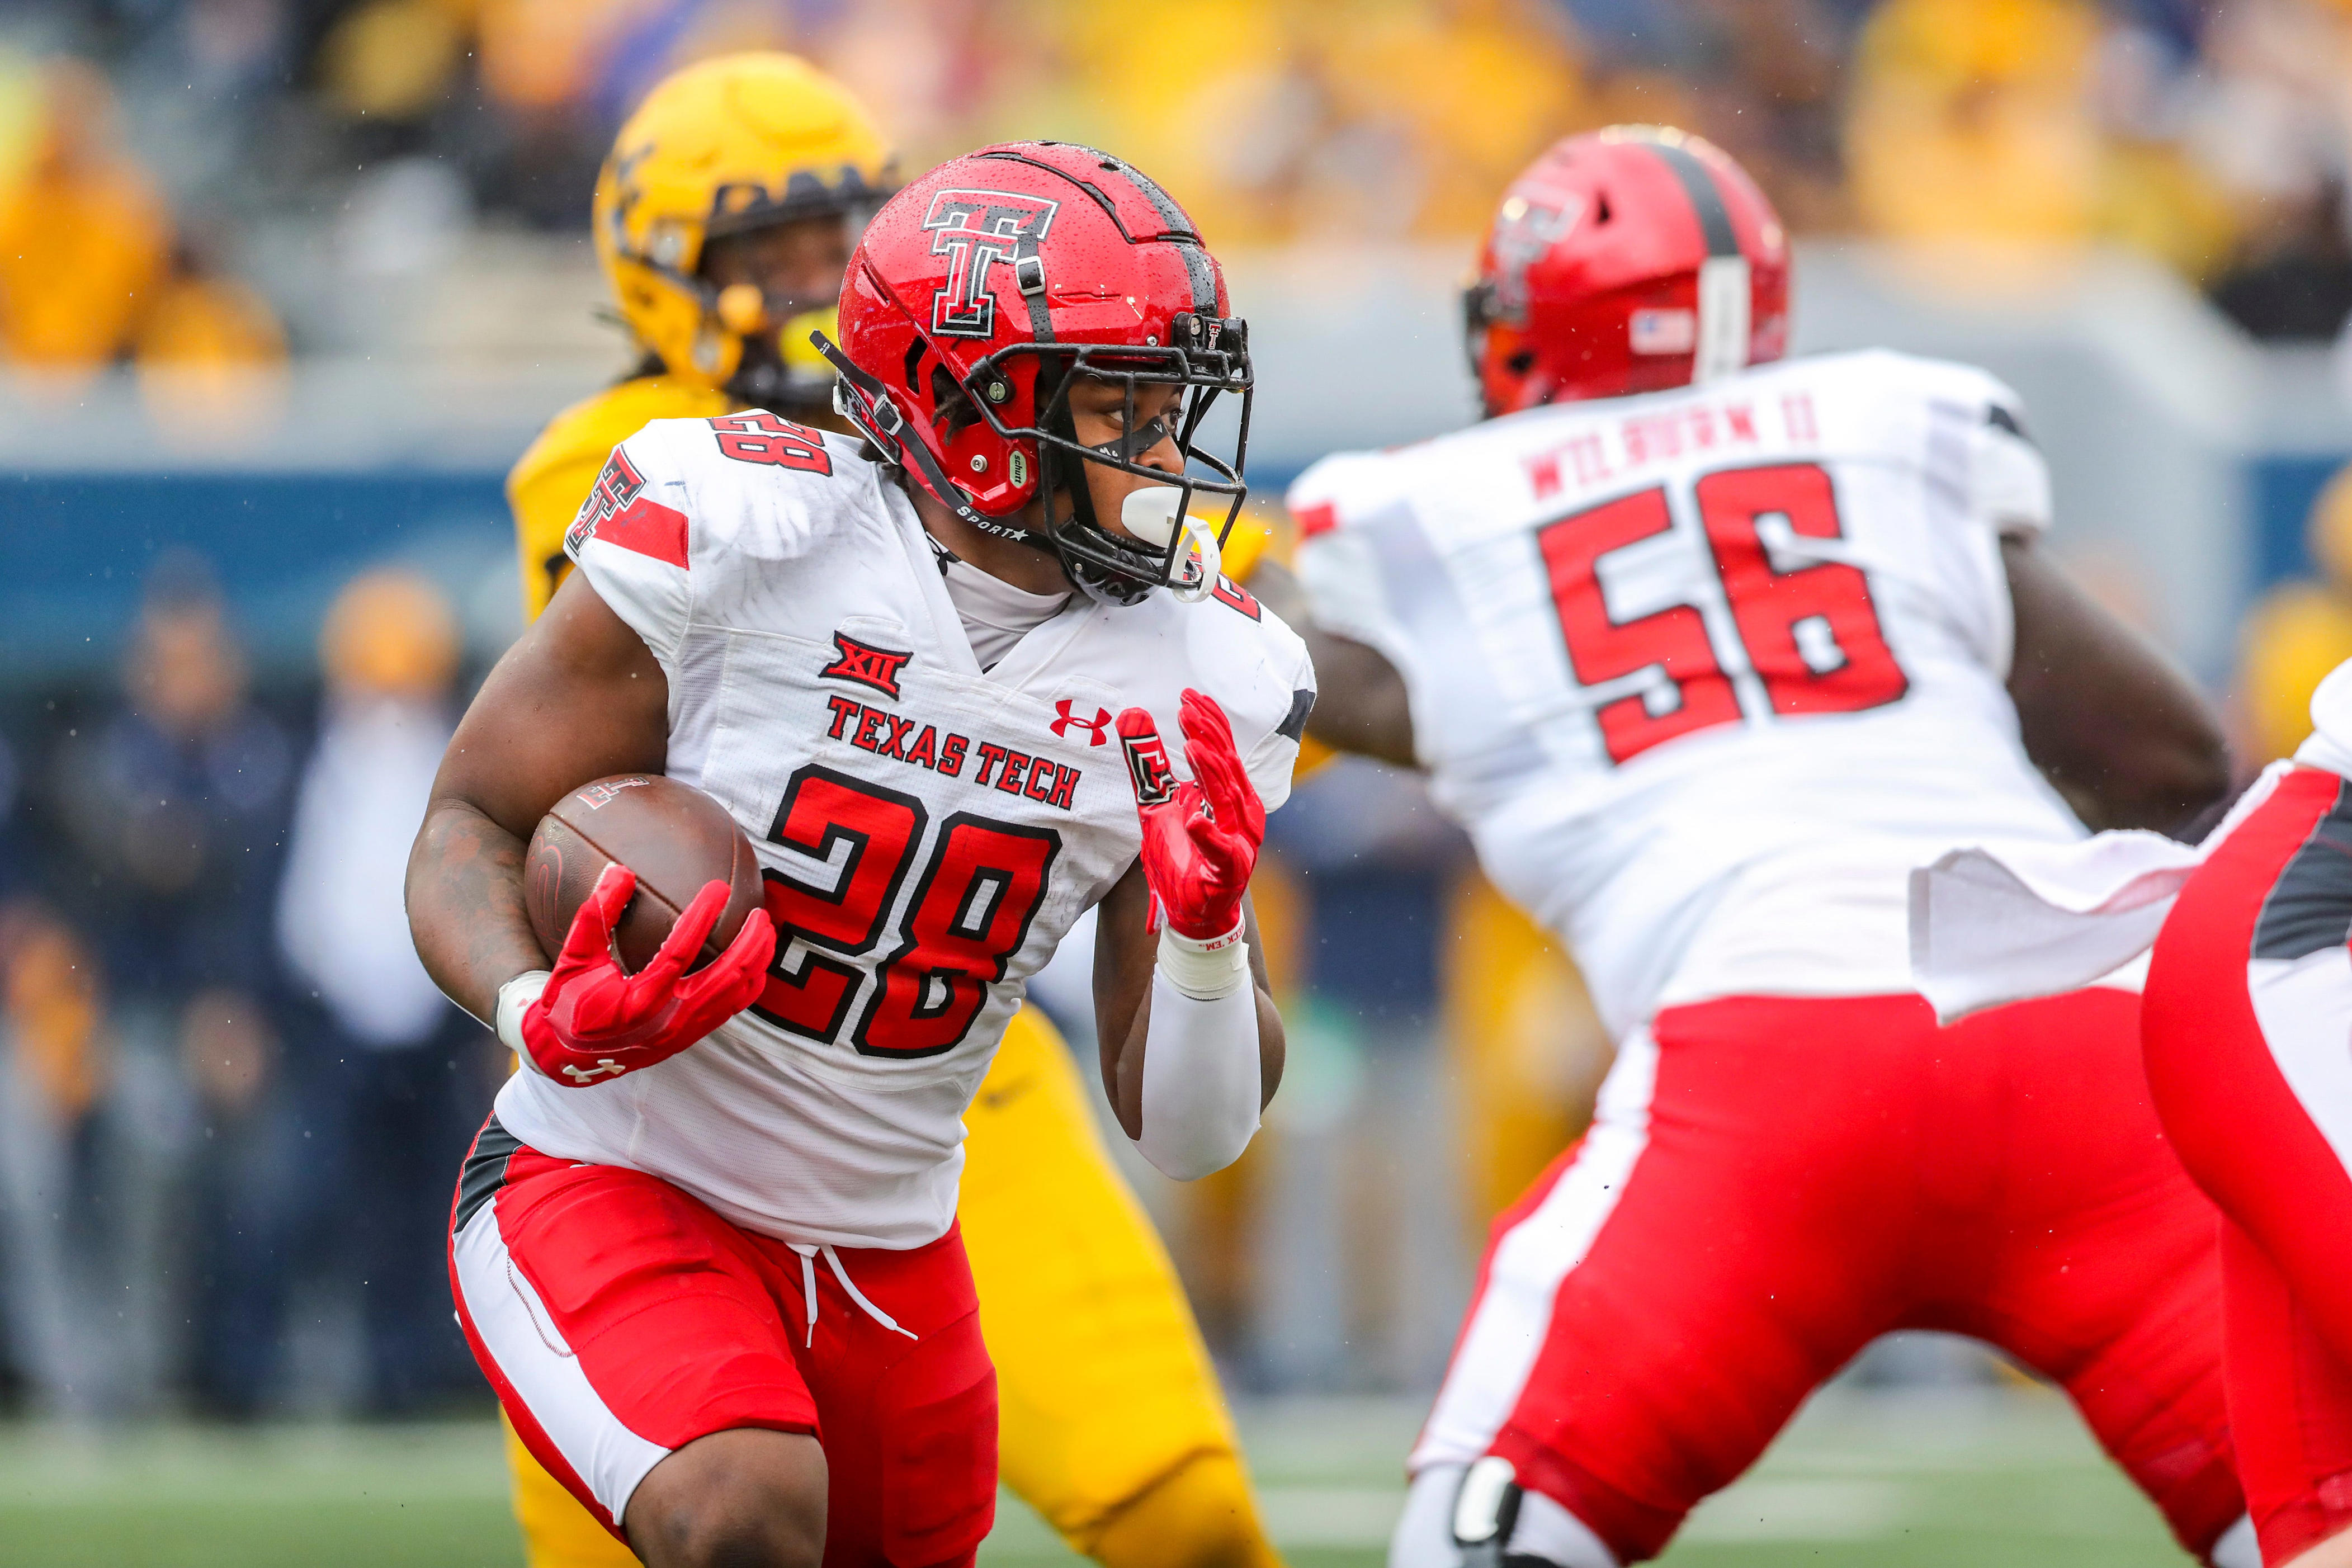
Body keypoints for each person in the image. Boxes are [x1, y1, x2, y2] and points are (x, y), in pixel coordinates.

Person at [1261, 125, 2265, 1568]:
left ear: (1542, 321)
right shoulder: (1884, 428)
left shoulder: (1437, 514)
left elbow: (1336, 689)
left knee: (1479, 1533)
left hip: (1772, 1074)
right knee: (2308, 1511)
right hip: (2073, 1055)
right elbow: (2169, 760)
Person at [411, 140, 1311, 1568]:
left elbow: (1192, 1135)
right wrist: (540, 1009)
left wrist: (1204, 939)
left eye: (1169, 403)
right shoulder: (748, 528)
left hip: (895, 1249)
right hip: (620, 1178)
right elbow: (469, 824)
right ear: (971, 405)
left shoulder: (1205, 667)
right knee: (748, 1514)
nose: (1161, 455)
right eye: (1119, 404)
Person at [275, 568, 486, 1414]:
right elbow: (308, 891)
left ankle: (429, 1366)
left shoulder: (462, 753)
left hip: (438, 1017)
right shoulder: (307, 754)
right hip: (336, 1018)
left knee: (441, 1202)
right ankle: (355, 1366)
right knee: (335, 1201)